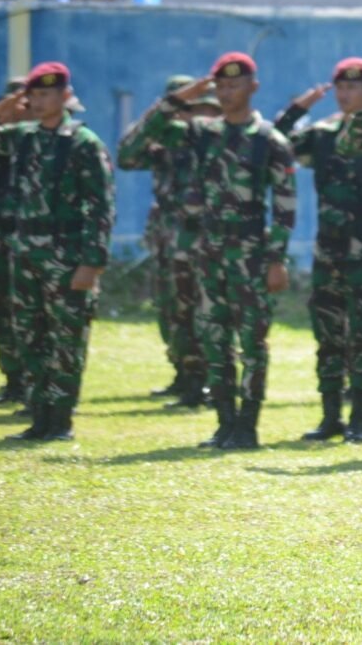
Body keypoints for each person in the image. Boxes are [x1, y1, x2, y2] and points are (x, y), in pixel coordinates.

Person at [122, 52, 296, 449]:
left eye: (235, 85)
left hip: (250, 253)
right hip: (208, 251)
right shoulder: (201, 133)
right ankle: (224, 422)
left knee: (252, 343)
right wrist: (178, 99)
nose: (227, 92)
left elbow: (285, 206)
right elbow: (131, 150)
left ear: (253, 87)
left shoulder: (269, 140)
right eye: (221, 85)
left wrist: (276, 259)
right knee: (213, 340)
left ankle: (247, 426)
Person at [274, 57, 362, 443]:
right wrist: (298, 109)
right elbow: (275, 143)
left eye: (353, 88)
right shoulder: (323, 134)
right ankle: (330, 417)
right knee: (327, 335)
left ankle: (359, 418)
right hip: (328, 250)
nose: (345, 94)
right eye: (340, 88)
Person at [0, 62, 115, 441]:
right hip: (24, 254)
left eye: (47, 94)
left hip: (66, 255)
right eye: (33, 94)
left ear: (65, 96)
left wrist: (92, 262)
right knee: (29, 335)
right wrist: (7, 106)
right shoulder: (22, 138)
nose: (38, 101)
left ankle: (60, 420)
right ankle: (38, 416)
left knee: (65, 338)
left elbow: (101, 207)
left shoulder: (83, 143)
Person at [118, 75, 219, 410]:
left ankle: (208, 382)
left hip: (207, 239)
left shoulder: (219, 139)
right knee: (171, 309)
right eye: (187, 109)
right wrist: (163, 112)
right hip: (168, 237)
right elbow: (127, 155)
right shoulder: (167, 141)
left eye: (203, 109)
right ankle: (185, 374)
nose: (195, 117)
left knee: (207, 312)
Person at [0, 77, 28, 407]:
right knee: (3, 313)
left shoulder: (41, 140)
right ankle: (15, 380)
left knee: (32, 315)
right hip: (0, 241)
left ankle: (38, 385)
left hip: (36, 243)